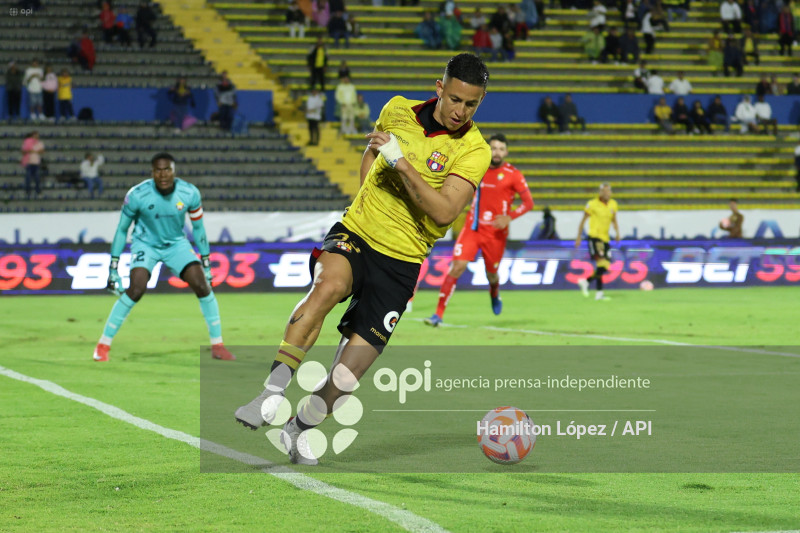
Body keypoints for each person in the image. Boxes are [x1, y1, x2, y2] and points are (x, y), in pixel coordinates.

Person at [233, 54, 492, 465]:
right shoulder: (397, 109)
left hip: (403, 260)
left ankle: (296, 429)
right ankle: (270, 393)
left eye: (472, 104)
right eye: (456, 98)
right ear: (439, 87)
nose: (461, 111)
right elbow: (372, 154)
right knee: (328, 285)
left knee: (346, 377)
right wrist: (365, 200)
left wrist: (401, 163)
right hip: (357, 233)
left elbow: (444, 213)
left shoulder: (473, 150)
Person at [93, 153, 236, 363]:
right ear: (152, 172)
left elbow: (198, 228)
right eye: (158, 170)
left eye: (167, 169)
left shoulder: (189, 193)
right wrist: (113, 267)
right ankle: (103, 345)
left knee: (203, 286)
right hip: (146, 244)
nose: (163, 174)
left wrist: (206, 262)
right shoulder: (137, 195)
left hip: (176, 244)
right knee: (136, 289)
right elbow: (122, 230)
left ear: (174, 170)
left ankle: (218, 346)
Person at [424, 133, 533, 326]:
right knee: (457, 267)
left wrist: (510, 217)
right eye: (493, 148)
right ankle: (438, 314)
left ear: (506, 151)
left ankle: (494, 291)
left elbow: (528, 203)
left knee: (491, 273)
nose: (497, 152)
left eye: (500, 148)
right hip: (472, 228)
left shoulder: (513, 175)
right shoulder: (478, 168)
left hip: (496, 234)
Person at [575, 183, 619, 301]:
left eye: (608, 191)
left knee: (605, 265)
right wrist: (579, 237)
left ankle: (588, 284)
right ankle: (595, 289)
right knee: (602, 264)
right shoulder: (592, 204)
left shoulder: (613, 204)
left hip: (605, 239)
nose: (606, 193)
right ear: (600, 192)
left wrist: (617, 232)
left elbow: (614, 219)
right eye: (604, 191)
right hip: (595, 237)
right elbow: (583, 220)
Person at [21, 131, 45, 197]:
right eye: (34, 136)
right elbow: (23, 152)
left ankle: (38, 191)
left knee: (37, 178)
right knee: (28, 179)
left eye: (37, 136)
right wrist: (29, 151)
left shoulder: (39, 143)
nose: (36, 137)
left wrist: (33, 151)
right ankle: (27, 192)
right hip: (28, 162)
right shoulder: (26, 142)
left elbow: (42, 151)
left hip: (36, 163)